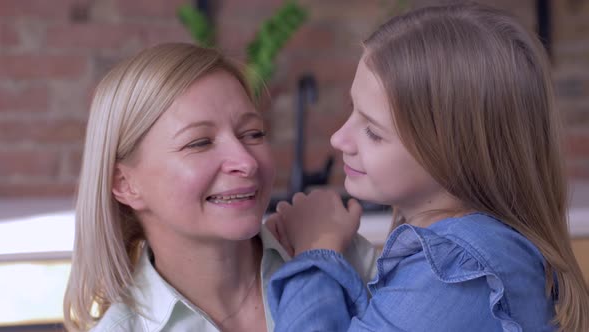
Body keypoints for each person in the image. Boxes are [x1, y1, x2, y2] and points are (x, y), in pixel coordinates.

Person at [266, 3, 589, 332]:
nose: (338, 139)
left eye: (373, 132)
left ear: (455, 154)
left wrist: (314, 249)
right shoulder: (477, 252)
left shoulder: (456, 270)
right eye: (353, 110)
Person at [62, 42, 377, 332]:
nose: (246, 161)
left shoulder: (343, 254)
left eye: (253, 133)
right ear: (125, 184)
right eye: (199, 142)